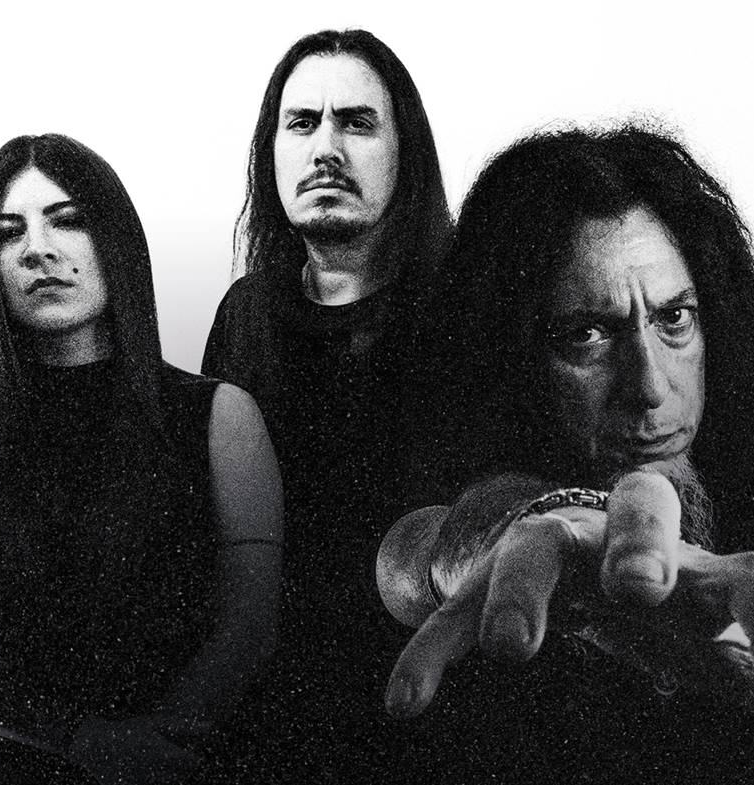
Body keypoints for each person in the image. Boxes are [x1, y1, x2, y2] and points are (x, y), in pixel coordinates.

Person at [376, 125, 754, 783]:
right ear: (507, 359)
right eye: (587, 334)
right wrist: (539, 521)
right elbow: (421, 549)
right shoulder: (445, 470)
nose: (649, 385)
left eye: (674, 319)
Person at [0, 134, 282, 784]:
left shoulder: (220, 417)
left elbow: (249, 622)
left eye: (67, 220)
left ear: (116, 240)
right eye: (7, 233)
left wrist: (151, 749)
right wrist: (83, 741)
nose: (37, 249)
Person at [199, 28, 453, 780]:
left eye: (357, 123)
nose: (326, 149)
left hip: (433, 723)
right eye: (302, 123)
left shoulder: (465, 312)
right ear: (271, 152)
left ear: (405, 153)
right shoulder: (245, 316)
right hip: (270, 728)